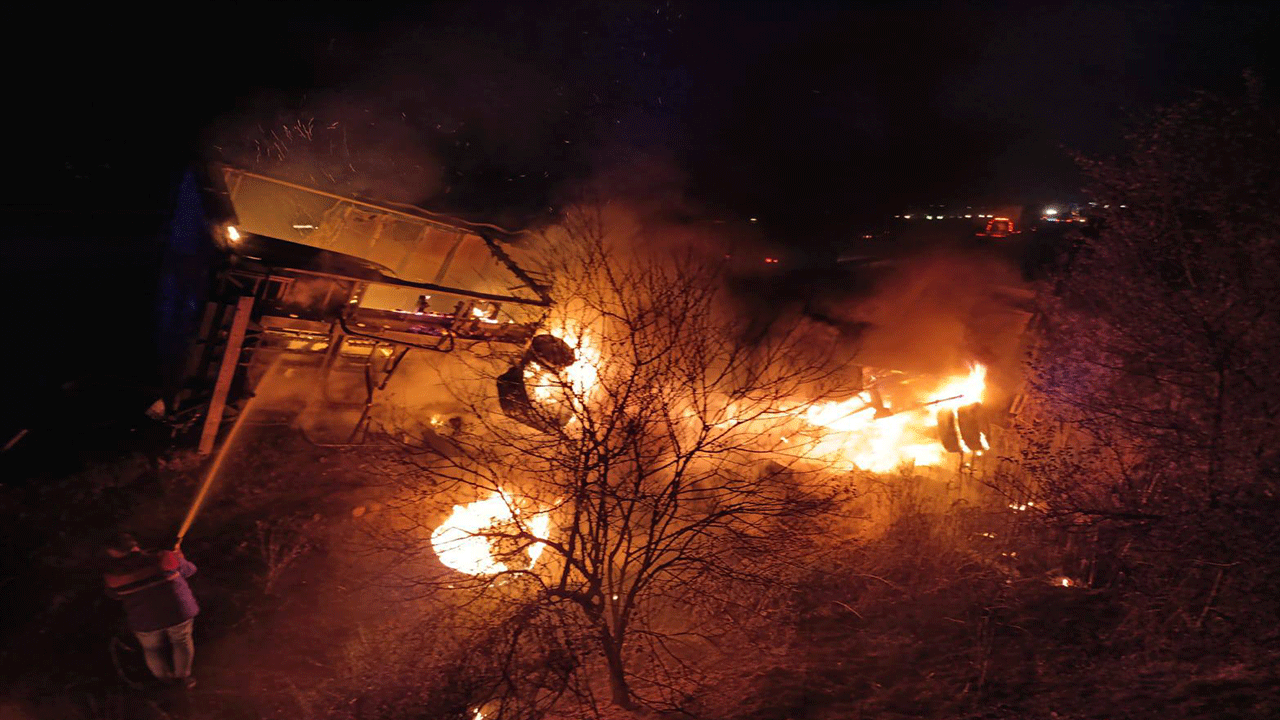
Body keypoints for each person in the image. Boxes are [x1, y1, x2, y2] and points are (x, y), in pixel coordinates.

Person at [103, 533, 200, 688]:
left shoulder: (112, 576)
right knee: (181, 641)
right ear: (135, 545)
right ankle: (182, 679)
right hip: (177, 611)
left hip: (143, 619)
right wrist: (179, 557)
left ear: (112, 552)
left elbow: (114, 595)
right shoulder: (162, 558)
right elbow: (190, 570)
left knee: (152, 649)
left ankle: (164, 680)